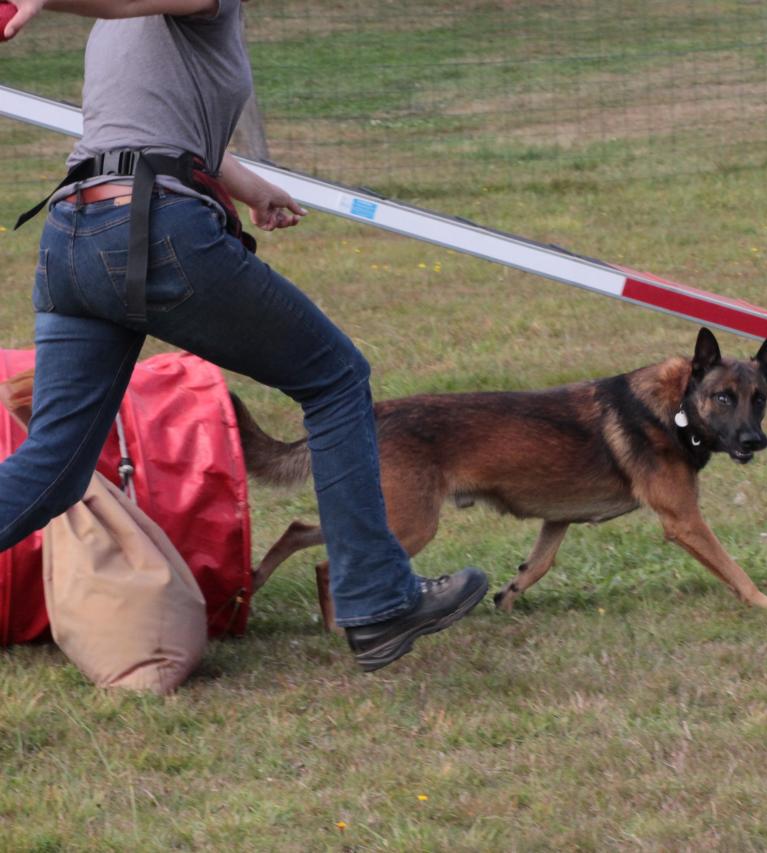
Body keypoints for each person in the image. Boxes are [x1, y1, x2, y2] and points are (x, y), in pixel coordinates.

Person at [0, 0, 488, 672]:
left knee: (52, 466)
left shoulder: (121, 29)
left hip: (73, 237)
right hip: (152, 231)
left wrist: (246, 184)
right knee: (335, 376)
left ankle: (376, 596)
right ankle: (377, 599)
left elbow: (153, 128)